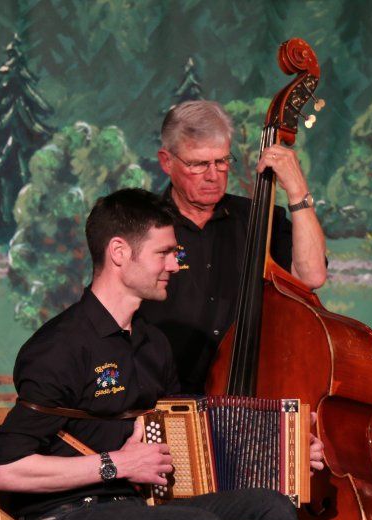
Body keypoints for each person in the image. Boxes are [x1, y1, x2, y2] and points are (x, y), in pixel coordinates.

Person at [0, 188, 321, 520]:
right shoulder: (59, 347)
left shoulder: (152, 343)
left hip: (140, 512)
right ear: (119, 254)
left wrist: (284, 453)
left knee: (271, 511)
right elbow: (6, 470)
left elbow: (195, 435)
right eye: (164, 253)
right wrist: (114, 465)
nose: (175, 264)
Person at [139, 100, 327, 392]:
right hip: (164, 399)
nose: (213, 175)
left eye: (222, 161)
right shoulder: (139, 225)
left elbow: (311, 277)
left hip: (251, 397)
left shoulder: (261, 219)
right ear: (166, 161)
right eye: (199, 164)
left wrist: (298, 191)